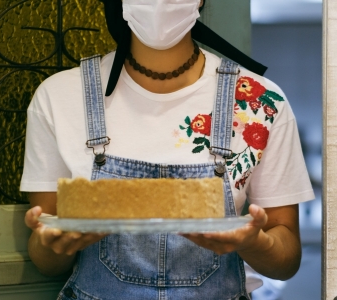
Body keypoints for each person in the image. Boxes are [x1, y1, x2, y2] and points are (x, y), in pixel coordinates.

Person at [21, 0, 315, 299]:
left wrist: (253, 242)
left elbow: (286, 260)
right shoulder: (58, 97)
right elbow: (46, 262)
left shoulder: (261, 103)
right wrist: (53, 243)